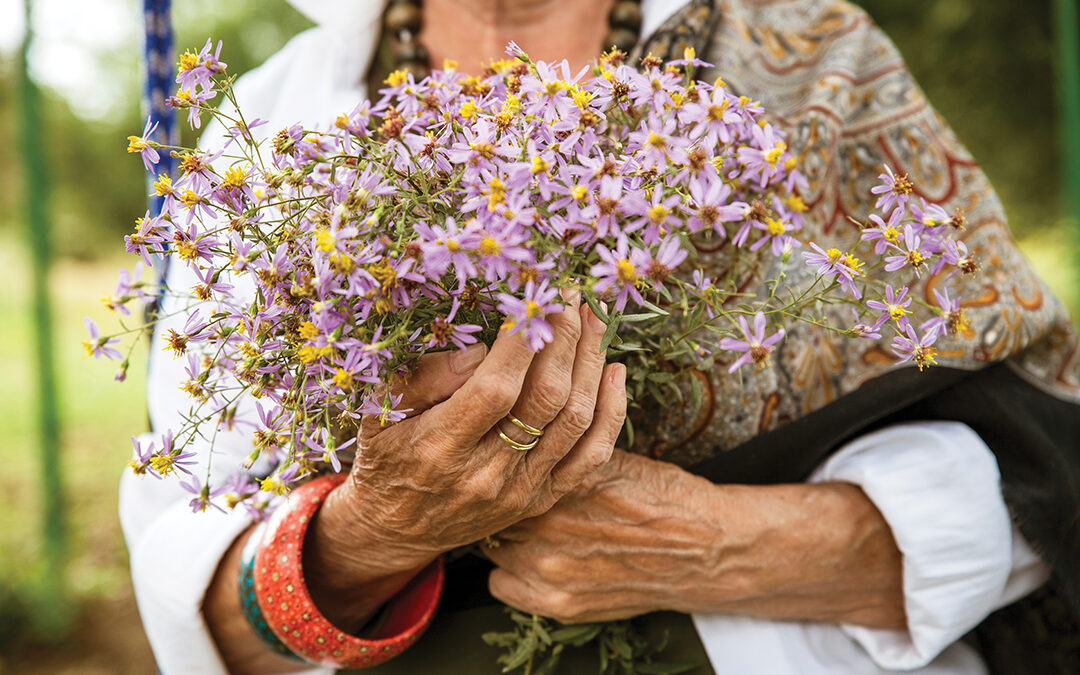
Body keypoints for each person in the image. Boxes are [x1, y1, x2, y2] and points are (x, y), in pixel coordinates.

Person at [119, 0, 1080, 673]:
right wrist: (369, 538)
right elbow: (196, 587)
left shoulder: (815, 60)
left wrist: (728, 544)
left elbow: (1048, 477)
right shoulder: (276, 129)